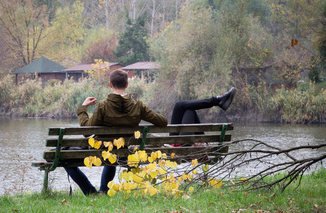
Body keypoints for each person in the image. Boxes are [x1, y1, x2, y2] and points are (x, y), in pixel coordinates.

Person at [65, 69, 236, 195]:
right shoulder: (138, 106)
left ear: (110, 85)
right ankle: (216, 103)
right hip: (131, 153)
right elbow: (162, 122)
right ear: (127, 84)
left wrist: (83, 107)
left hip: (108, 152)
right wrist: (141, 112)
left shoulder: (103, 106)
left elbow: (87, 131)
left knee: (70, 156)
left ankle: (93, 191)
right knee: (182, 107)